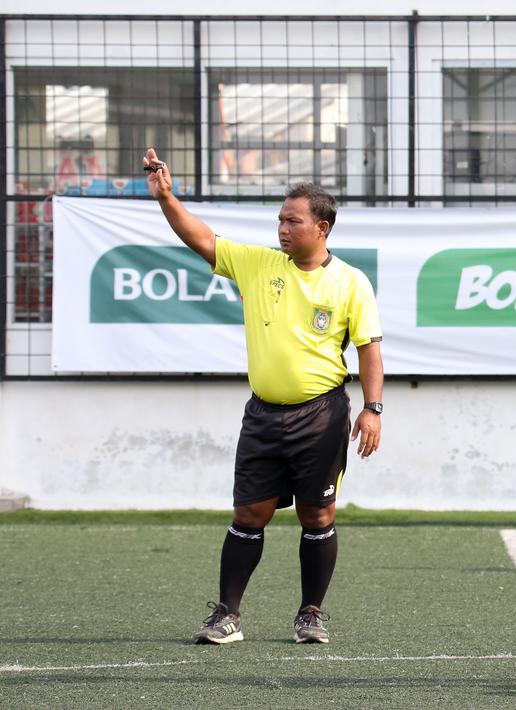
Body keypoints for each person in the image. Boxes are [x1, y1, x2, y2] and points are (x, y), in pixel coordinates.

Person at [143, 148, 385, 645]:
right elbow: (201, 238)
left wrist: (372, 409)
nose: (282, 229)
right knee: (248, 515)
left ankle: (310, 614)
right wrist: (166, 197)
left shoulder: (350, 282)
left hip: (321, 416)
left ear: (321, 228)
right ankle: (227, 615)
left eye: (293, 221)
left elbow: (369, 350)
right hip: (262, 417)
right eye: (280, 220)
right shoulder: (258, 265)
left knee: (317, 515)